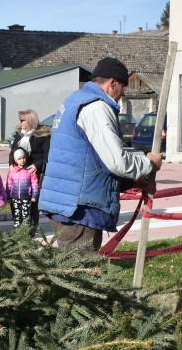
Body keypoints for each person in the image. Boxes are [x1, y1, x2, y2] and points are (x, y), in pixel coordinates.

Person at [39, 57, 162, 252]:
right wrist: (148, 164)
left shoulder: (75, 100)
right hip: (79, 207)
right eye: (122, 89)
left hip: (66, 199)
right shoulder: (96, 107)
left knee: (69, 264)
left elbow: (89, 157)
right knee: (81, 267)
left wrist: (130, 180)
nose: (122, 95)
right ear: (113, 83)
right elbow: (117, 161)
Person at [6, 148, 39, 230]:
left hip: (26, 198)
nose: (22, 160)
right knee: (16, 216)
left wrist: (34, 195)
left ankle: (26, 232)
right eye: (19, 159)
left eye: (23, 158)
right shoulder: (12, 170)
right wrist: (8, 196)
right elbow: (9, 184)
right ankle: (17, 232)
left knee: (26, 216)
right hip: (15, 198)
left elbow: (35, 184)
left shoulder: (29, 170)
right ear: (15, 160)